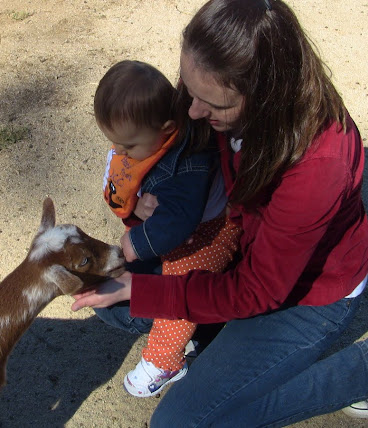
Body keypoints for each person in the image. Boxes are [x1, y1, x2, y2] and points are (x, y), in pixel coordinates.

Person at [72, 0, 368, 425]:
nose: (191, 112)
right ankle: (216, 346)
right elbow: (162, 147)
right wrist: (139, 201)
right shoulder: (213, 91)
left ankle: (363, 371)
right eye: (188, 91)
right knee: (112, 301)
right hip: (238, 249)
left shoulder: (318, 167)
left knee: (178, 422)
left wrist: (144, 289)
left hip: (302, 297)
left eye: (210, 103)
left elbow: (257, 291)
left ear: (265, 96)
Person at [94, 60, 241, 397]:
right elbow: (119, 180)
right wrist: (137, 205)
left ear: (166, 128)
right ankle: (205, 326)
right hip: (188, 224)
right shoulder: (145, 138)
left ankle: (165, 360)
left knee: (182, 280)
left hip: (212, 231)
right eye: (115, 143)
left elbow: (177, 223)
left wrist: (135, 241)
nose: (119, 152)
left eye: (127, 147)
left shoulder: (185, 168)